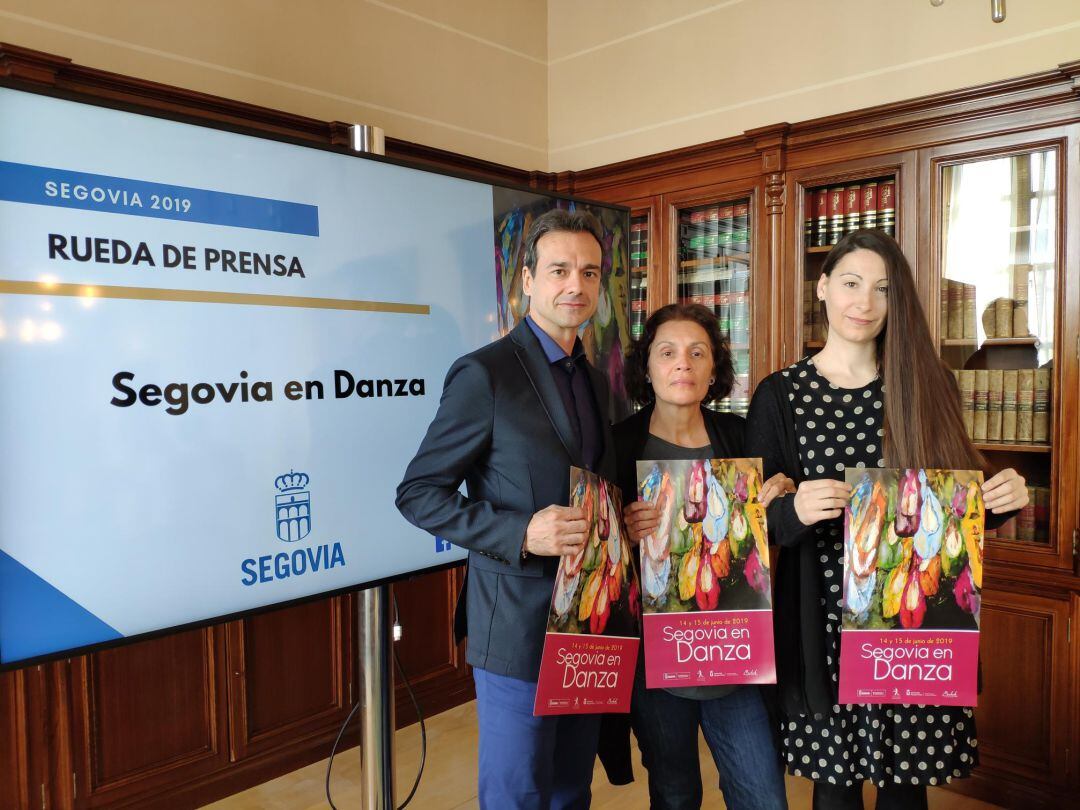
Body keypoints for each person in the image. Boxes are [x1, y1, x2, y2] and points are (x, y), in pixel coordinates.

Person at [744, 230, 1028, 810]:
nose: (864, 303)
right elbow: (752, 526)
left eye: (881, 290)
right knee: (835, 787)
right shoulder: (780, 395)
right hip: (820, 622)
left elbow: (955, 509)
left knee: (906, 785)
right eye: (851, 284)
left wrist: (1003, 497)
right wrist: (791, 509)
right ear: (822, 287)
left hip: (909, 618)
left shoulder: (928, 385)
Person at [396, 208, 615, 810]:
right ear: (527, 279)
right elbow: (418, 494)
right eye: (559, 270)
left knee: (573, 787)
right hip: (515, 624)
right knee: (517, 794)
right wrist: (522, 531)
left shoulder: (594, 382)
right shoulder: (483, 373)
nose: (576, 285)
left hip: (587, 618)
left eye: (590, 272)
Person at [606, 302, 792, 810]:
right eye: (667, 353)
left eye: (696, 353)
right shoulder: (619, 444)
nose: (682, 364)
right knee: (674, 791)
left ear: (715, 370)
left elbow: (769, 529)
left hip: (732, 648)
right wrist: (622, 528)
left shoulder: (739, 438)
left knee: (762, 794)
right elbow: (597, 553)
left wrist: (781, 490)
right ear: (648, 368)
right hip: (653, 656)